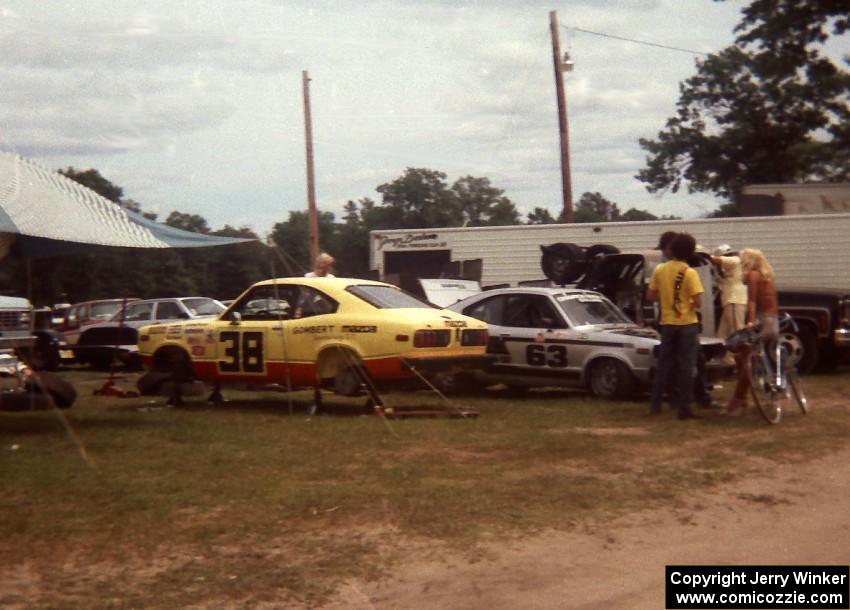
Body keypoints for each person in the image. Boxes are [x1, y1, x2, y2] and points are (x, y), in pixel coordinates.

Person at [647, 232, 704, 420]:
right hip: (687, 322)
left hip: (668, 322)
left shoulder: (660, 269)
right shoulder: (690, 273)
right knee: (687, 366)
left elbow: (650, 296)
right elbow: (698, 302)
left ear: (672, 250)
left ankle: (655, 404)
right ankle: (684, 407)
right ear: (690, 252)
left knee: (664, 364)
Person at [727, 248, 779, 415]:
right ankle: (774, 390)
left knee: (745, 359)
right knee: (768, 357)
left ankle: (738, 402)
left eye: (743, 261)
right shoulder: (767, 277)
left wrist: (749, 322)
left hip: (762, 321)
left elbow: (751, 302)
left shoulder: (753, 276)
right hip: (773, 321)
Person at [710, 245, 747, 360]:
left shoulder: (735, 260)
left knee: (736, 334)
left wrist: (702, 256)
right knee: (722, 335)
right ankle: (728, 362)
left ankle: (742, 363)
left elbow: (716, 260)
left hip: (735, 300)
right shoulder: (727, 270)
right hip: (729, 302)